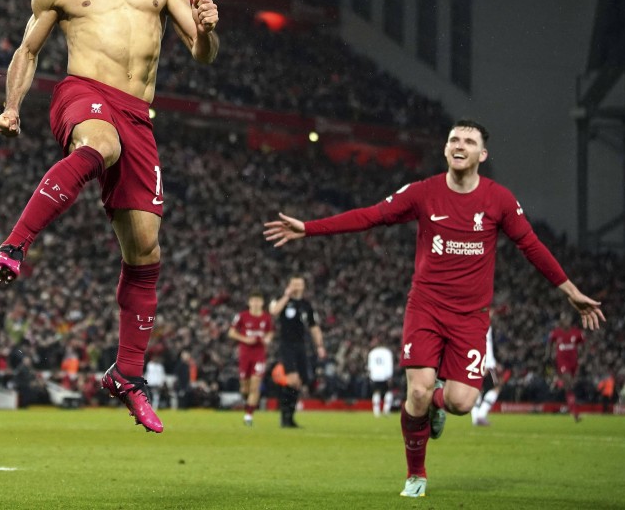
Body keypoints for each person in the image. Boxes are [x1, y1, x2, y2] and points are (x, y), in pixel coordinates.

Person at [0, 0, 219, 434]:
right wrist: (12, 107)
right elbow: (28, 50)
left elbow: (202, 53)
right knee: (100, 144)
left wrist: (208, 29)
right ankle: (14, 246)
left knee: (146, 251)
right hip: (83, 93)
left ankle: (126, 374)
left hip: (139, 115)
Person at [264, 119, 605, 498]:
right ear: (445, 149)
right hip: (425, 308)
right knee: (418, 392)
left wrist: (570, 290)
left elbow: (532, 246)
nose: (459, 145)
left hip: (471, 317)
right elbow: (371, 215)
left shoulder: (499, 200)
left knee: (461, 402)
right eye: (454, 139)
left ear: (482, 154)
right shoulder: (423, 192)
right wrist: (309, 228)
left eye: (469, 141)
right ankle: (416, 474)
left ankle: (439, 404)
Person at [268, 276, 327, 428]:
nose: (297, 286)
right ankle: (284, 416)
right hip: (286, 345)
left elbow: (314, 327)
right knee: (292, 379)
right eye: (294, 284)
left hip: (301, 346)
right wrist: (286, 296)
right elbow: (274, 311)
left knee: (299, 382)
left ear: (303, 286)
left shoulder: (306, 305)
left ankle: (290, 417)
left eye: (299, 284)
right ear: (289, 285)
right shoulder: (283, 301)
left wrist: (320, 346)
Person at [227, 291, 274, 425]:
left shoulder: (266, 318)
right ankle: (248, 402)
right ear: (249, 302)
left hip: (259, 355)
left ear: (262, 303)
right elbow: (231, 332)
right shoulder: (242, 316)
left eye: (258, 301)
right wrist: (245, 339)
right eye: (253, 301)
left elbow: (270, 332)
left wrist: (268, 339)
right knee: (245, 389)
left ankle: (248, 416)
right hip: (245, 355)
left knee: (255, 385)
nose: (255, 303)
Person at [547, 313, 585, 422]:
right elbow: (549, 344)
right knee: (569, 384)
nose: (567, 321)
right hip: (562, 363)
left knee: (570, 386)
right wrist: (548, 356)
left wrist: (583, 357)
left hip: (574, 363)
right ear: (561, 321)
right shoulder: (556, 333)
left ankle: (571, 405)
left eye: (568, 319)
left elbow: (585, 345)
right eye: (565, 319)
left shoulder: (576, 332)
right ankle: (575, 412)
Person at [470, 326, 509, 426]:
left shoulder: (475, 324)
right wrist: (487, 363)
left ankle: (475, 418)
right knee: (497, 387)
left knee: (478, 388)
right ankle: (481, 415)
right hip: (486, 363)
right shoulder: (485, 325)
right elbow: (485, 344)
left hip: (477, 360)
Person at [367, 339, 395, 417]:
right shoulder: (387, 352)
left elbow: (370, 366)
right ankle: (386, 410)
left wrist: (370, 376)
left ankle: (376, 412)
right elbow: (389, 365)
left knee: (376, 392)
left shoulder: (372, 353)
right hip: (385, 375)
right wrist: (390, 376)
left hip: (375, 375)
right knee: (388, 392)